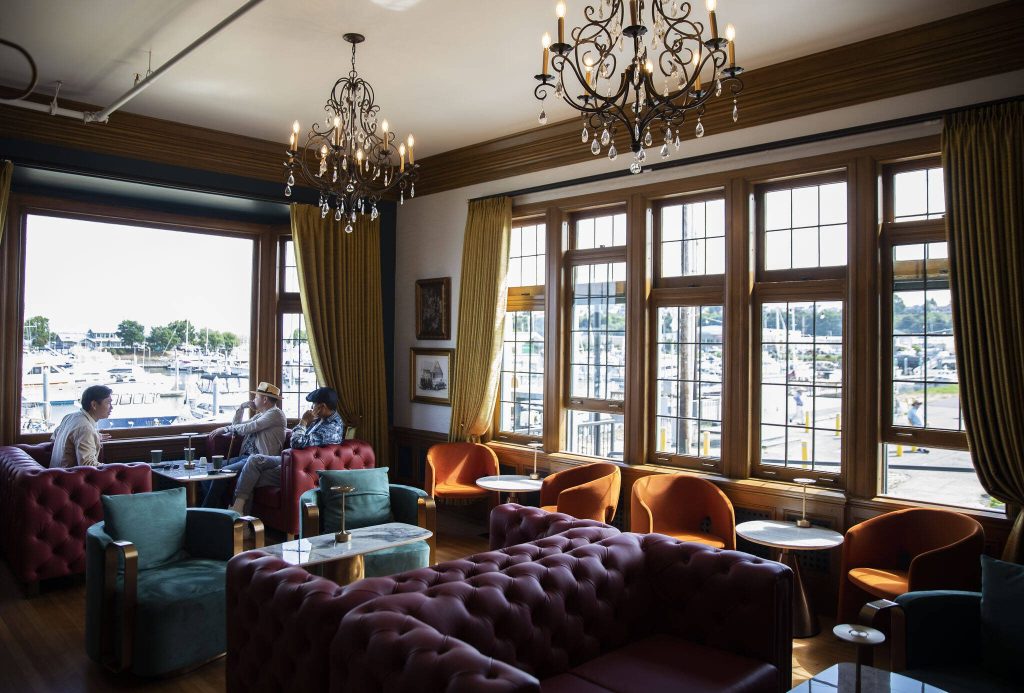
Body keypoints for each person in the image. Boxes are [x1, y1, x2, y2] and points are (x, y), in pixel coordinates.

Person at [229, 387, 345, 515]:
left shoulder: (332, 427)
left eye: (313, 404)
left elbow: (296, 442)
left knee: (250, 475)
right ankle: (239, 512)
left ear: (321, 406)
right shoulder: (319, 420)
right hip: (291, 458)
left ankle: (239, 516)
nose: (311, 407)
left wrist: (304, 421)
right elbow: (296, 441)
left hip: (302, 466)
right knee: (253, 461)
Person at [202, 381, 287, 507]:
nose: (253, 399)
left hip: (258, 459)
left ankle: (207, 509)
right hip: (245, 457)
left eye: (256, 396)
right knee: (210, 468)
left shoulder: (275, 414)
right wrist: (241, 407)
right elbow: (237, 426)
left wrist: (225, 429)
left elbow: (250, 427)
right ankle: (218, 508)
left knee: (221, 471)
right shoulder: (261, 415)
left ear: (264, 399)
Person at [49, 385, 114, 468]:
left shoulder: (70, 417)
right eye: (108, 403)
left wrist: (94, 437)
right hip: (68, 479)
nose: (112, 407)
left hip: (56, 475)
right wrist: (116, 468)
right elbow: (88, 466)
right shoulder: (86, 428)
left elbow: (54, 438)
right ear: (94, 405)